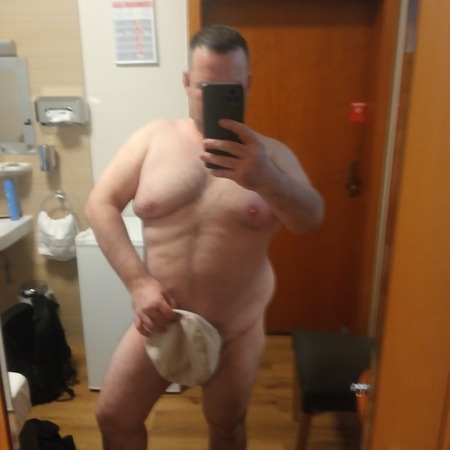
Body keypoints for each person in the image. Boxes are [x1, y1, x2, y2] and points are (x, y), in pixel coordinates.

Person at [85, 24, 324, 450]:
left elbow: (311, 218)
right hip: (162, 318)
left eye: (230, 88)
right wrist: (138, 283)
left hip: (236, 327)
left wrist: (266, 179)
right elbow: (99, 205)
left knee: (226, 427)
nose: (213, 97)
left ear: (248, 84)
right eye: (205, 87)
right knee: (114, 416)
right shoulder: (153, 139)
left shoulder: (271, 156)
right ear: (186, 82)